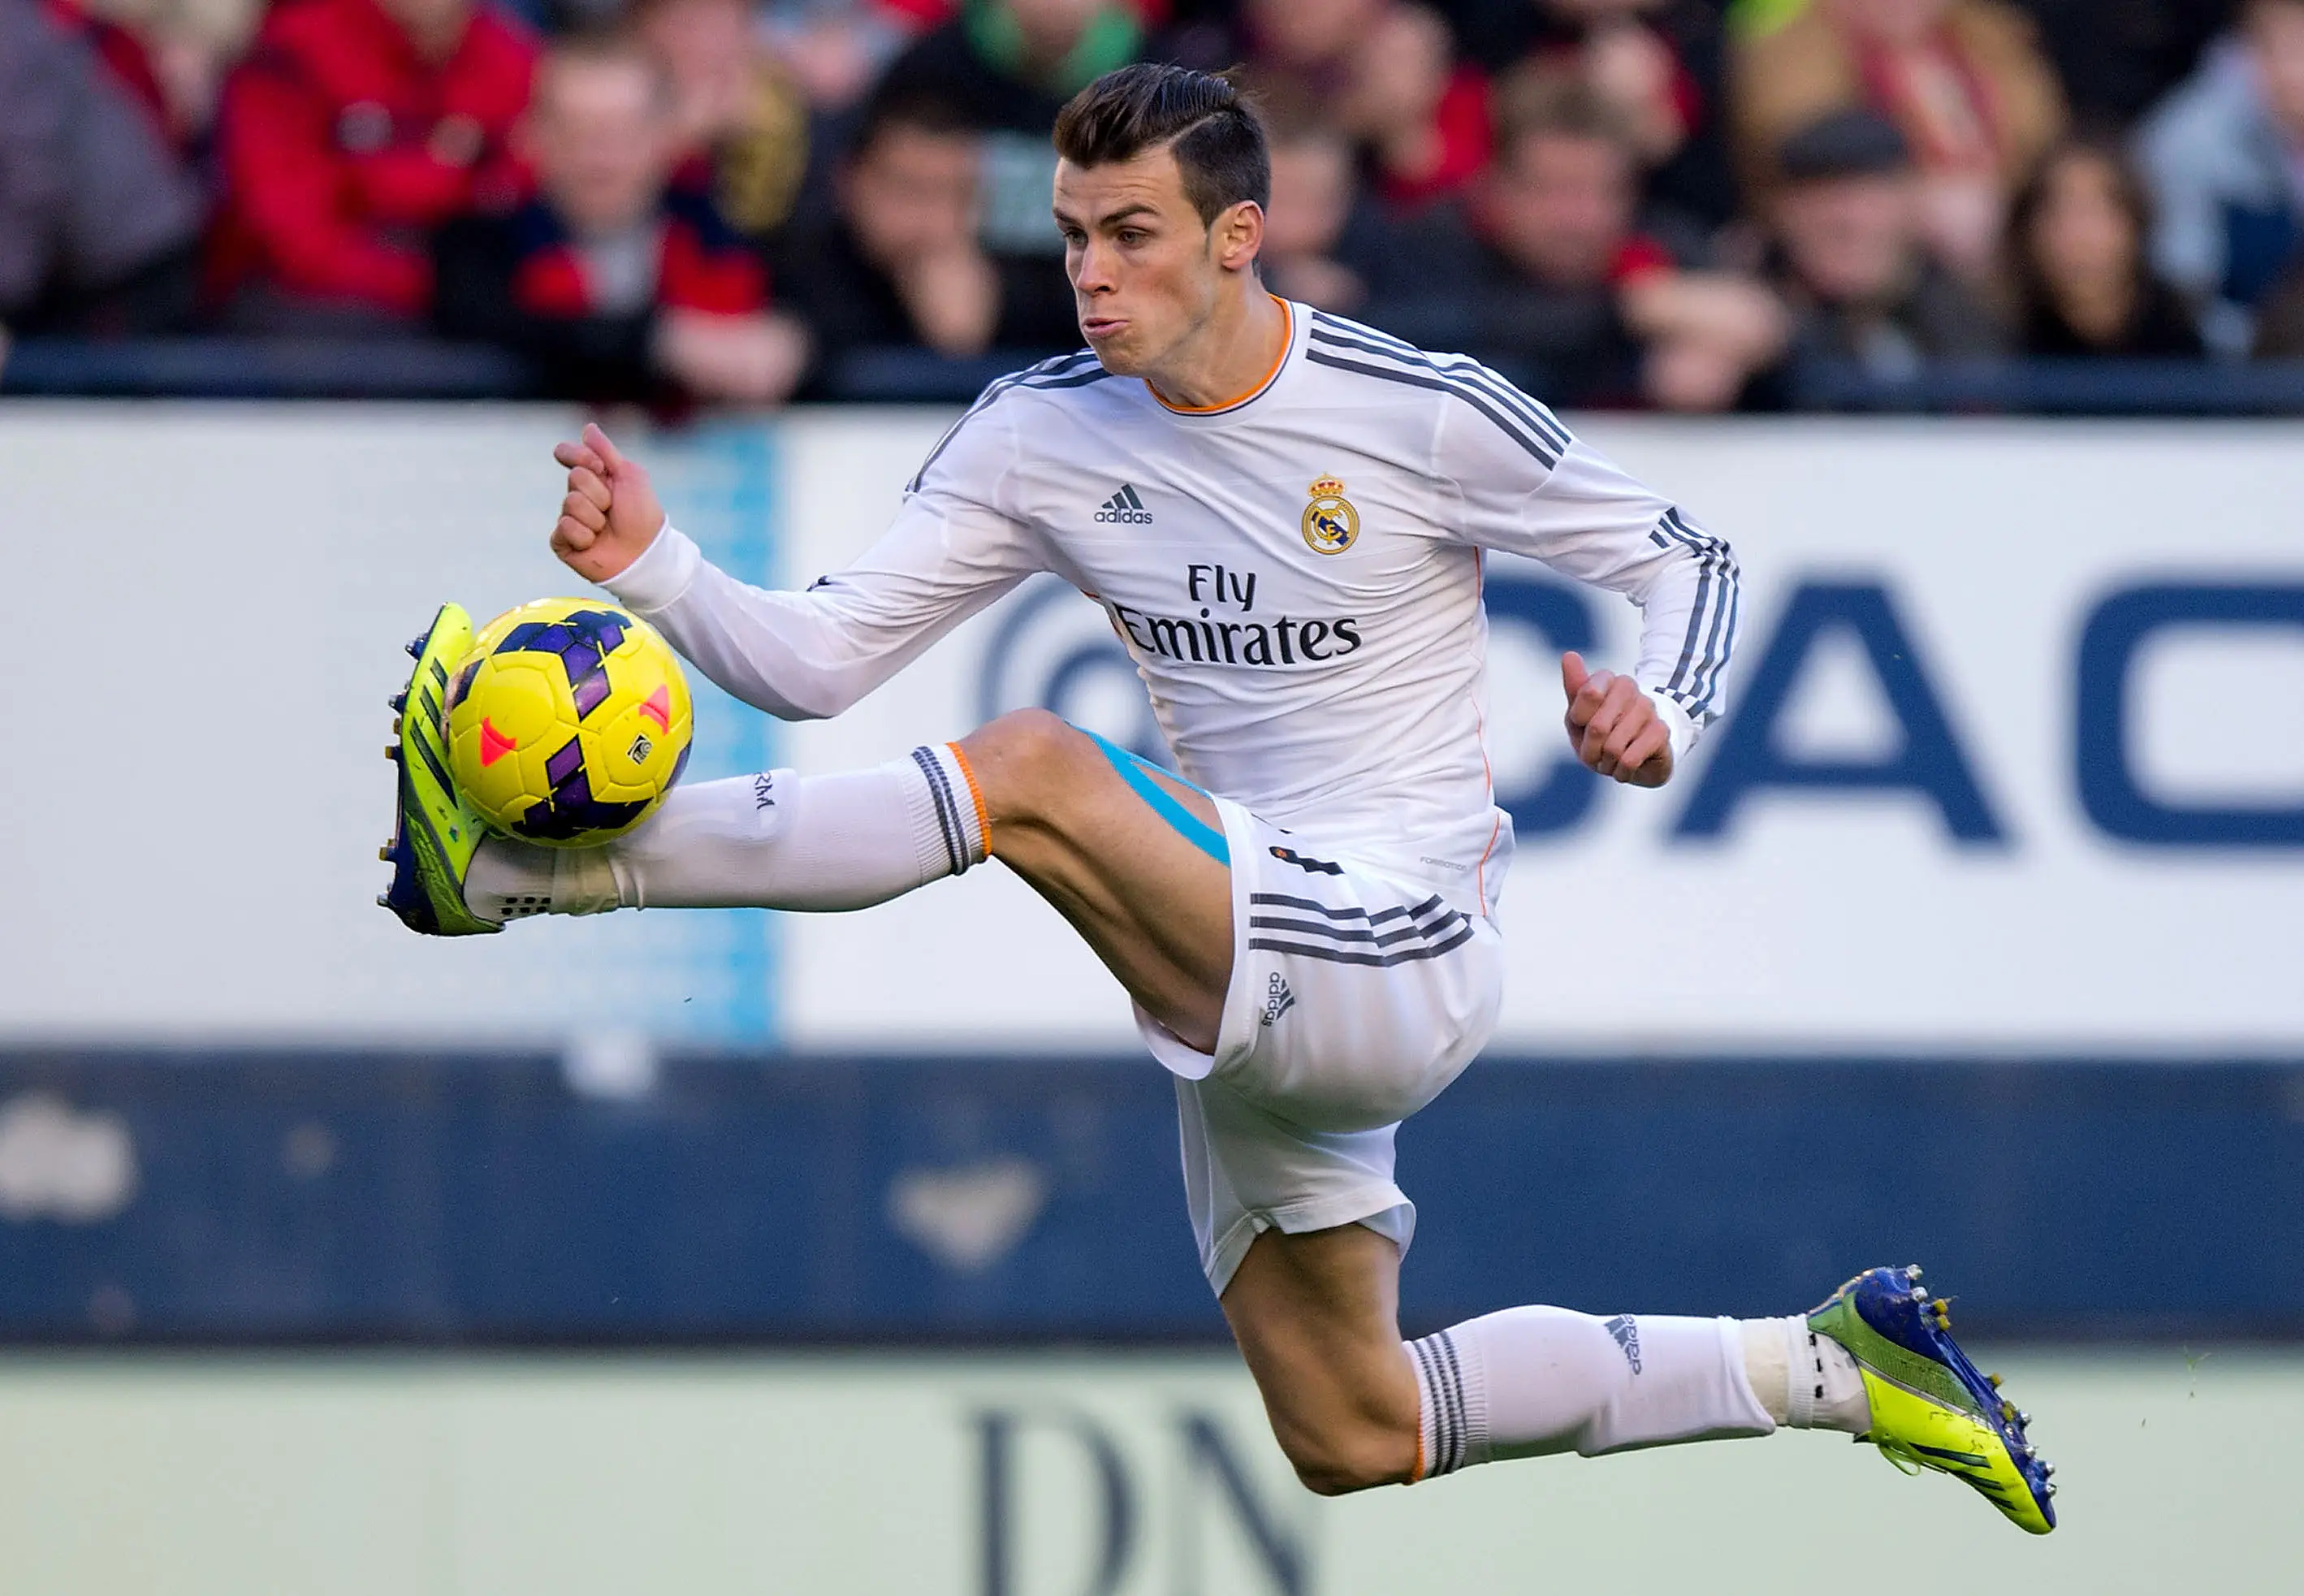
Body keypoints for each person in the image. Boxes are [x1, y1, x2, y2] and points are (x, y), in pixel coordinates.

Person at [381, 63, 2055, 1533]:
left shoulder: (1411, 407)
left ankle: (533, 876)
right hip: (1246, 963)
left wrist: (1661, 710)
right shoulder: (1037, 432)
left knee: (1032, 767)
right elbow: (819, 660)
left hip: (1399, 939)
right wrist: (655, 565)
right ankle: (1826, 1364)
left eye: (1129, 235)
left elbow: (1681, 552)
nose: (1089, 277)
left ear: (1235, 237)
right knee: (1351, 1428)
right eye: (1068, 235)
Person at [430, 32, 808, 405]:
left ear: (667, 133)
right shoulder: (480, 242)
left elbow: (828, 310)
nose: (599, 157)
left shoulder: (730, 236)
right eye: (574, 132)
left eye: (622, 132)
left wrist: (791, 341)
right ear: (533, 134)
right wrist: (661, 343)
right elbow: (507, 329)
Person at [1444, 76, 1786, 409]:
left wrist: (1728, 354)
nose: (1576, 220)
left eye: (1601, 192)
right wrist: (1629, 313)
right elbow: (1446, 334)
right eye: (1552, 189)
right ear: (1495, 183)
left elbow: (1770, 324)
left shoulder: (1663, 244)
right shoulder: (1437, 244)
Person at [210, 0, 536, 328]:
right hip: (308, 302)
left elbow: (532, 190)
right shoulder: (297, 47)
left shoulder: (508, 52)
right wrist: (446, 179)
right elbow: (292, 236)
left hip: (466, 291)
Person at [1730, 0, 2066, 281]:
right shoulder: (1794, 54)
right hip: (1883, 262)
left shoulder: (1990, 38)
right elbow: (1813, 159)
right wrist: (1919, 200)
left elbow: (2042, 145)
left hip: (2010, 248)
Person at [770, 88, 1080, 374]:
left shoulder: (1040, 281)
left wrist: (966, 335)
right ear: (851, 181)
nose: (935, 221)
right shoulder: (794, 272)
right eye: (911, 191)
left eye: (958, 194)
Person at [1767, 107, 2007, 378]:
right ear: (1780, 211)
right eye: (1822, 198)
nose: (1850, 219)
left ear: (1914, 200)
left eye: (1873, 196)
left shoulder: (1966, 316)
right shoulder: (1749, 322)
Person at [2135, 0, 2304, 353]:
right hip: (2227, 376)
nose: (2292, 69)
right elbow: (2183, 291)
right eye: (2278, 47)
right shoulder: (2185, 141)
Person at [2008, 136, 2202, 358]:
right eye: (2057, 213)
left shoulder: (2182, 343)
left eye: (2095, 212)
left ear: (2135, 222)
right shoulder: (2001, 348)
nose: (2078, 235)